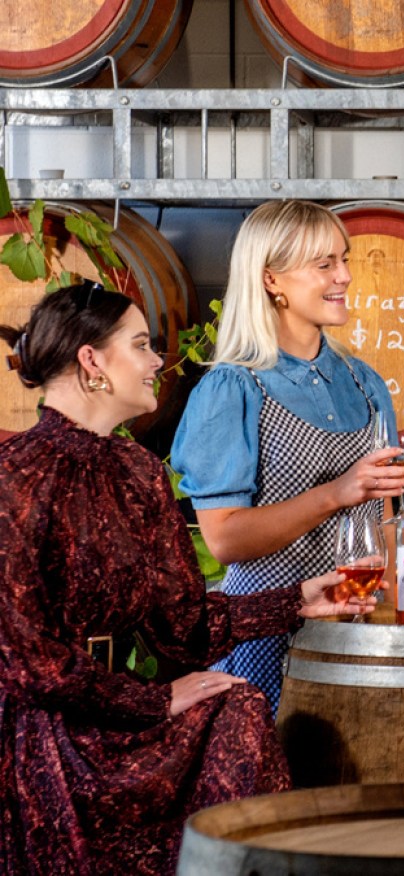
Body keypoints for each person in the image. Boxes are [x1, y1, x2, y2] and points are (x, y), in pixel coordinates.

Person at [0, 281, 379, 874]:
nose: (158, 362)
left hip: (122, 720)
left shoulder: (139, 472)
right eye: (142, 346)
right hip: (45, 737)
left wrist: (298, 601)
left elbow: (183, 629)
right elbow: (27, 664)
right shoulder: (14, 478)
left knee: (239, 709)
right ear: (91, 361)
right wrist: (155, 700)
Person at [171, 200, 404, 714]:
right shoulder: (232, 388)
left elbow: (384, 519)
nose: (344, 276)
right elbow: (226, 539)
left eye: (343, 259)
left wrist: (389, 587)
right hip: (264, 634)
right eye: (323, 264)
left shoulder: (365, 383)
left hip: (356, 629)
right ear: (271, 279)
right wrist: (336, 493)